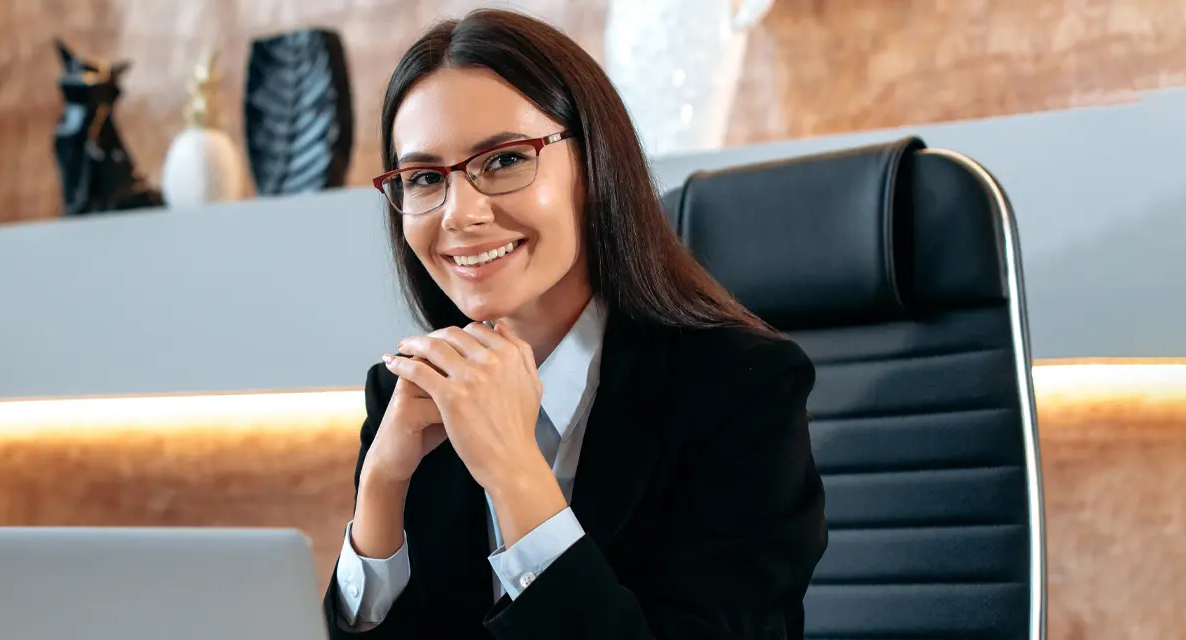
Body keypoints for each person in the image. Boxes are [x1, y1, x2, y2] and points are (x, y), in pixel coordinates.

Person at [324, 9, 827, 639]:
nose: (459, 213)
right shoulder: (410, 392)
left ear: (593, 169)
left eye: (504, 161)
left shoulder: (741, 389)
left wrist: (513, 469)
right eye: (425, 177)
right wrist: (381, 489)